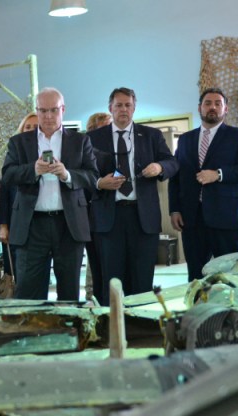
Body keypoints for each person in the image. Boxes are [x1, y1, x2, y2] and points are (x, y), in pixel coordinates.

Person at [0, 88, 98, 301]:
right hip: (31, 225)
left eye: (54, 110)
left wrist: (67, 174)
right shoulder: (19, 142)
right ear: (36, 110)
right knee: (28, 291)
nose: (49, 116)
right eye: (43, 111)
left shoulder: (80, 141)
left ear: (63, 110)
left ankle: (68, 331)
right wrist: (33, 170)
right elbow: (7, 175)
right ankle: (32, 334)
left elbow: (92, 177)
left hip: (68, 225)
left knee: (69, 291)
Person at [87, 88, 179, 302]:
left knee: (142, 279)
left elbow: (173, 163)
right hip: (108, 218)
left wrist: (159, 167)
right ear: (110, 108)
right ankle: (113, 327)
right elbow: (82, 174)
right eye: (118, 105)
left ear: (134, 108)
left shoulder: (151, 136)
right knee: (112, 279)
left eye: (128, 105)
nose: (123, 110)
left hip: (142, 218)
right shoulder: (92, 138)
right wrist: (100, 183)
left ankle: (141, 325)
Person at [168, 88, 238, 281]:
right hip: (192, 220)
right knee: (196, 276)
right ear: (199, 108)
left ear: (225, 109)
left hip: (227, 219)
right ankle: (199, 309)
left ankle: (230, 311)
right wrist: (174, 209)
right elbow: (176, 177)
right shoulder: (185, 140)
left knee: (230, 276)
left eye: (218, 104)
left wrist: (218, 174)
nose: (213, 107)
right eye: (208, 103)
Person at [0, 113, 39, 279]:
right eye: (27, 127)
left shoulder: (47, 157)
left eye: (36, 128)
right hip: (16, 223)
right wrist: (3, 225)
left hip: (39, 223)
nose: (30, 130)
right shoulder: (13, 157)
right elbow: (5, 194)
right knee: (14, 272)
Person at [82, 111, 112, 302]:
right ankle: (92, 297)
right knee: (95, 263)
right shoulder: (85, 151)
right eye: (105, 127)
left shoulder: (114, 149)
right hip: (88, 213)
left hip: (111, 214)